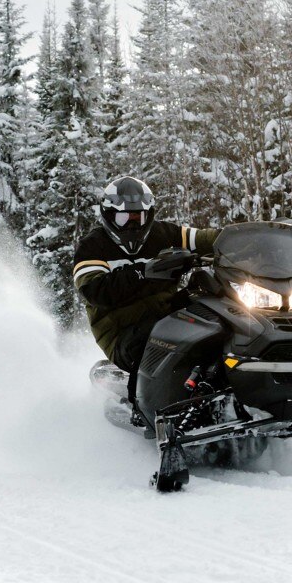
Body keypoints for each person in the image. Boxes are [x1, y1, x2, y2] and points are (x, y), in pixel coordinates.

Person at [72, 176, 220, 416]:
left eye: (138, 218)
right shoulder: (93, 247)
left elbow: (205, 238)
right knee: (157, 338)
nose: (132, 225)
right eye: (124, 218)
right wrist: (145, 272)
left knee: (216, 306)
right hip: (122, 331)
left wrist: (257, 233)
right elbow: (96, 292)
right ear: (109, 216)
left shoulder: (163, 233)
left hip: (168, 312)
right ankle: (144, 411)